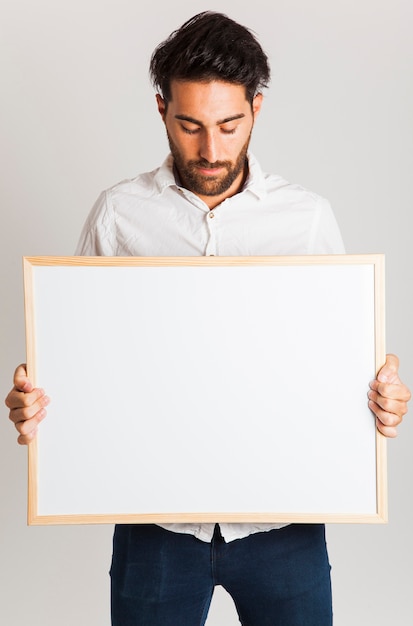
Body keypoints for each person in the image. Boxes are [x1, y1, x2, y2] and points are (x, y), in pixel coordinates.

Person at [5, 11, 410, 626]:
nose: (211, 150)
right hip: (157, 529)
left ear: (257, 107)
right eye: (189, 125)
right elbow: (80, 362)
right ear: (162, 108)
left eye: (229, 124)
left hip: (284, 524)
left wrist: (381, 393)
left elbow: (344, 361)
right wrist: (38, 404)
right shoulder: (118, 215)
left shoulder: (305, 219)